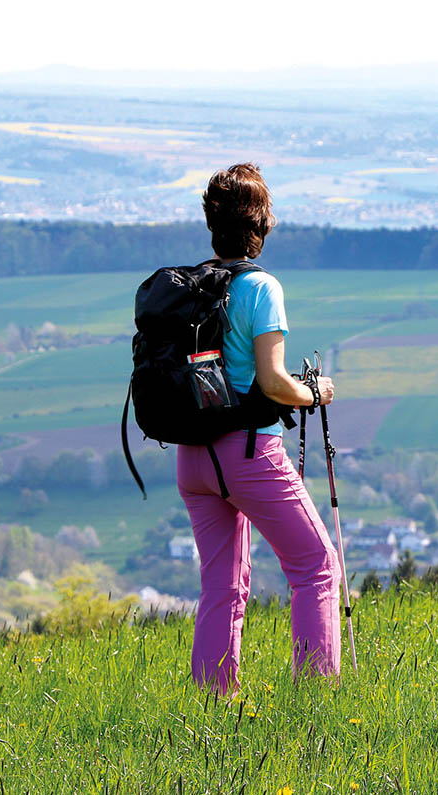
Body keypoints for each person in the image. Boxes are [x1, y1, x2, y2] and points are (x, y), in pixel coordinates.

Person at [177, 162, 340, 690]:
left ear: (213, 223)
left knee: (222, 585)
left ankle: (212, 708)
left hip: (193, 456)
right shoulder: (261, 287)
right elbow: (271, 382)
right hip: (248, 455)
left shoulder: (192, 286)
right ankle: (316, 699)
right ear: (262, 225)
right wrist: (313, 393)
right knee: (317, 565)